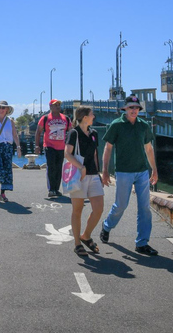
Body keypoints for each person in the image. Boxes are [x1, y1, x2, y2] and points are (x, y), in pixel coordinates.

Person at [99, 95, 159, 256]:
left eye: (136, 107)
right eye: (131, 107)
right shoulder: (116, 125)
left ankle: (142, 243)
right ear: (125, 109)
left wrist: (154, 169)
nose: (134, 110)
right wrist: (105, 170)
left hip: (142, 171)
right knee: (121, 205)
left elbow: (149, 149)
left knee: (145, 207)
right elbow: (108, 148)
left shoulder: (144, 125)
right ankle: (106, 226)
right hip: (123, 171)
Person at [65, 106, 104, 257]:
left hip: (93, 174)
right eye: (91, 114)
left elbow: (95, 154)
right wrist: (81, 167)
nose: (94, 116)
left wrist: (99, 172)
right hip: (78, 174)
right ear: (85, 117)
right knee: (77, 209)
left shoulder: (94, 133)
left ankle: (85, 236)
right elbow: (67, 153)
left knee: (98, 208)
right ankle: (77, 243)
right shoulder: (73, 133)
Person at [35, 99, 72, 198]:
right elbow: (38, 132)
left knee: (59, 167)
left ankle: (56, 189)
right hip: (49, 146)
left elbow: (71, 132)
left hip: (61, 147)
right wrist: (37, 146)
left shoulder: (66, 118)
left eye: (59, 105)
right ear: (51, 107)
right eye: (56, 105)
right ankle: (51, 189)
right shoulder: (45, 118)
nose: (58, 107)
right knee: (51, 167)